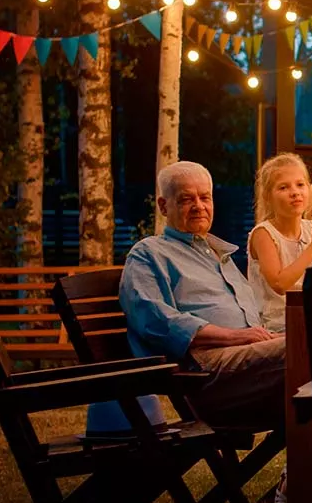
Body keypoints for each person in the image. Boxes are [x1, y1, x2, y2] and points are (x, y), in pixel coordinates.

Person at [119, 160, 285, 431]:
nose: (199, 206)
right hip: (205, 374)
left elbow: (252, 328)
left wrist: (269, 335)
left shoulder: (218, 254)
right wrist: (236, 336)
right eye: (186, 199)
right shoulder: (149, 254)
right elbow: (153, 319)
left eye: (204, 197)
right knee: (308, 351)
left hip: (249, 364)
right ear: (163, 206)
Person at [247, 153, 312, 333]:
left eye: (300, 185)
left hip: (310, 318)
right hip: (275, 326)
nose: (295, 192)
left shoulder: (310, 228)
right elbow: (280, 285)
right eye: (283, 187)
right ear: (267, 196)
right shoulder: (263, 234)